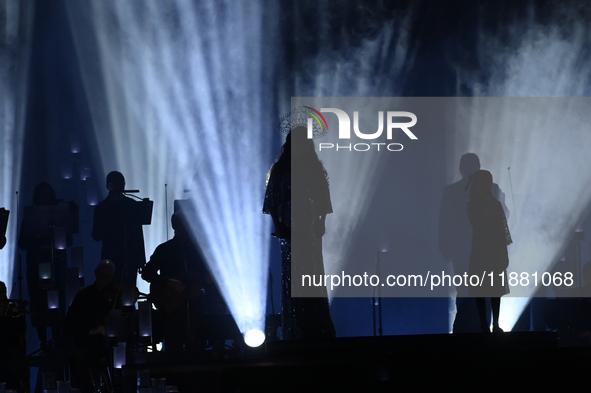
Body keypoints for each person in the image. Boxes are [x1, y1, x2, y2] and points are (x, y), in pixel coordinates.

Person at [263, 126, 336, 340]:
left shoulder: (315, 168)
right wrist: (279, 225)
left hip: (310, 229)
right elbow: (272, 202)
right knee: (293, 276)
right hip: (288, 230)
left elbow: (323, 200)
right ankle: (296, 327)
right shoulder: (279, 170)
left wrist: (321, 222)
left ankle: (317, 326)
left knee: (312, 274)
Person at [438, 153, 508, 333]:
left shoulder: (490, 189)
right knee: (465, 288)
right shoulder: (453, 191)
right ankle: (469, 326)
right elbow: (444, 220)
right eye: (467, 166)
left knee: (488, 287)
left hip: (483, 247)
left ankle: (484, 325)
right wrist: (445, 245)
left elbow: (502, 216)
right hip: (462, 248)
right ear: (462, 169)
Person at [142, 212, 213, 355]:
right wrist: (169, 282)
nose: (186, 228)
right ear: (175, 226)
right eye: (182, 225)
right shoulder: (164, 249)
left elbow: (205, 277)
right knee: (174, 346)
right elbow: (147, 273)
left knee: (197, 345)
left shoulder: (198, 249)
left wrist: (207, 280)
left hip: (195, 306)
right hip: (171, 309)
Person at [18, 182, 70, 350]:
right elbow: (22, 243)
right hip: (36, 264)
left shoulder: (59, 217)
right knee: (38, 302)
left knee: (57, 300)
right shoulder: (29, 219)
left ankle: (58, 338)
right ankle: (42, 342)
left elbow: (69, 239)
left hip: (56, 264)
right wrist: (36, 236)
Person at [466, 170, 512, 333]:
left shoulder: (496, 204)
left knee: (495, 290)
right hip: (480, 250)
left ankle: (496, 323)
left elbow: (502, 230)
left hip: (495, 251)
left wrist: (504, 253)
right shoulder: (473, 205)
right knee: (480, 289)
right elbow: (476, 222)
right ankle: (483, 324)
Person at [63, 259, 118, 393]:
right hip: (89, 345)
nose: (106, 280)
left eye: (109, 277)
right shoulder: (83, 296)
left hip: (114, 347)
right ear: (96, 273)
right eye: (103, 275)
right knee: (78, 358)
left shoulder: (118, 295)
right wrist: (91, 331)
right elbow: (69, 326)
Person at [92, 171, 146, 287]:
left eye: (121, 183)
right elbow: (96, 235)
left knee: (128, 292)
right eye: (117, 183)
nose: (120, 186)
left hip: (129, 258)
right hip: (111, 259)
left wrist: (140, 260)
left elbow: (138, 234)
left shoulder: (131, 205)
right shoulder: (102, 208)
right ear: (109, 186)